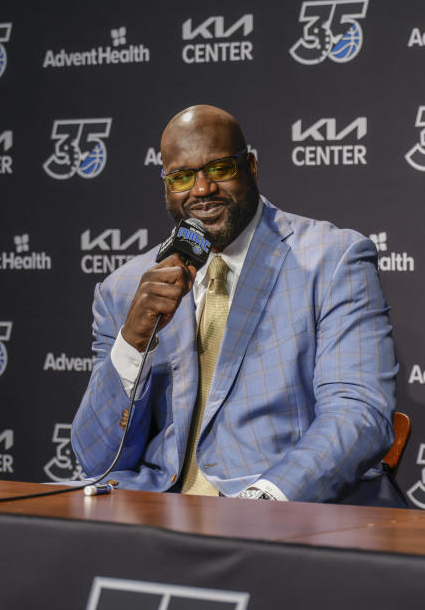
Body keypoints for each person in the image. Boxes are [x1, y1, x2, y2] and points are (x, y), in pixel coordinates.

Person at [71, 104, 403, 506]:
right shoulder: (125, 288)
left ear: (251, 167)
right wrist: (133, 341)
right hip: (160, 517)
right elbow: (97, 459)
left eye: (220, 169)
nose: (201, 189)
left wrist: (262, 502)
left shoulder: (331, 260)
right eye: (181, 177)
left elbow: (358, 414)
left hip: (284, 514)